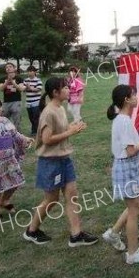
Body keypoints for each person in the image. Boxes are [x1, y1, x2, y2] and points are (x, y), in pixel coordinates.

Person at [23, 77, 97, 246]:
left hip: (64, 158)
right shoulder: (49, 112)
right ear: (55, 93)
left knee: (72, 195)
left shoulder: (60, 108)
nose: (68, 89)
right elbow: (47, 139)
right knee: (51, 199)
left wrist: (72, 127)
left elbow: (61, 131)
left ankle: (76, 235)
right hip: (51, 162)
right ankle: (31, 231)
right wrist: (70, 133)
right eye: (65, 88)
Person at [103, 85, 139, 264]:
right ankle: (132, 253)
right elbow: (130, 151)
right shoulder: (124, 121)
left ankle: (113, 233)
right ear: (126, 100)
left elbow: (130, 147)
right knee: (134, 209)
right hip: (127, 168)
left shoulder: (123, 119)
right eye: (133, 95)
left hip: (130, 168)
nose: (136, 97)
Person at [0, 63, 26, 133]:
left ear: (14, 68)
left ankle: (18, 137)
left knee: (17, 121)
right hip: (6, 102)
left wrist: (13, 83)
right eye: (6, 67)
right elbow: (1, 89)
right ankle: (6, 136)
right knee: (4, 121)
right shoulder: (2, 79)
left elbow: (21, 89)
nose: (8, 68)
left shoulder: (19, 78)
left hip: (16, 102)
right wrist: (7, 81)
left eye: (10, 67)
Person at [24, 67, 43, 136]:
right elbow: (23, 89)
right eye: (28, 71)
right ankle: (35, 129)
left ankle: (35, 131)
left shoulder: (38, 80)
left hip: (36, 102)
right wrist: (27, 87)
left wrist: (29, 87)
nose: (30, 72)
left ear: (35, 72)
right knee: (31, 117)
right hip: (28, 102)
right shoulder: (25, 80)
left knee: (36, 117)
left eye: (31, 71)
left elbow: (38, 89)